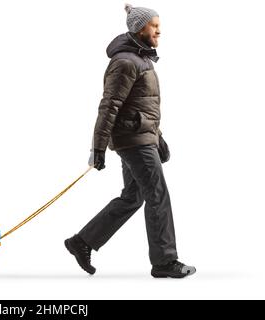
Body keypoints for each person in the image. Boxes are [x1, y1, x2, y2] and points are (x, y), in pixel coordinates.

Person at [65, 4, 196, 278]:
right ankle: (164, 262)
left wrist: (158, 138)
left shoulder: (140, 60)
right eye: (154, 25)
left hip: (140, 139)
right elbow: (109, 106)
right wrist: (97, 148)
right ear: (138, 29)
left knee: (133, 196)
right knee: (157, 195)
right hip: (134, 142)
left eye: (159, 24)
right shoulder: (125, 62)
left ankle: (82, 241)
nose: (159, 30)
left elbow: (140, 107)